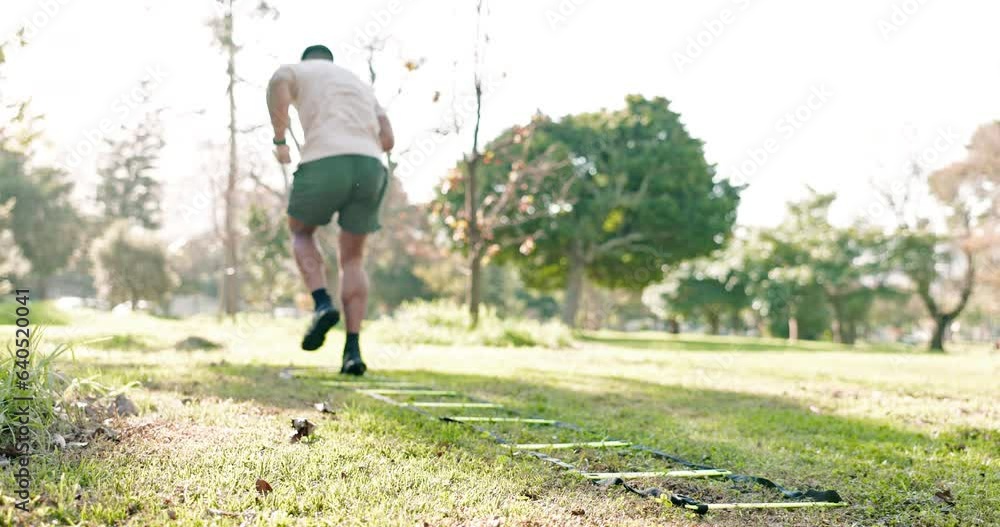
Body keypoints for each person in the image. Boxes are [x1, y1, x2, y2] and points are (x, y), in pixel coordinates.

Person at [266, 44, 394, 376]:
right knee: (353, 258)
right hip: (369, 166)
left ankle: (322, 304)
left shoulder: (299, 69)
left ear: (309, 58)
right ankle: (352, 351)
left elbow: (277, 81)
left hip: (324, 160)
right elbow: (388, 139)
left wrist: (280, 140)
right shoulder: (358, 84)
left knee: (300, 232)